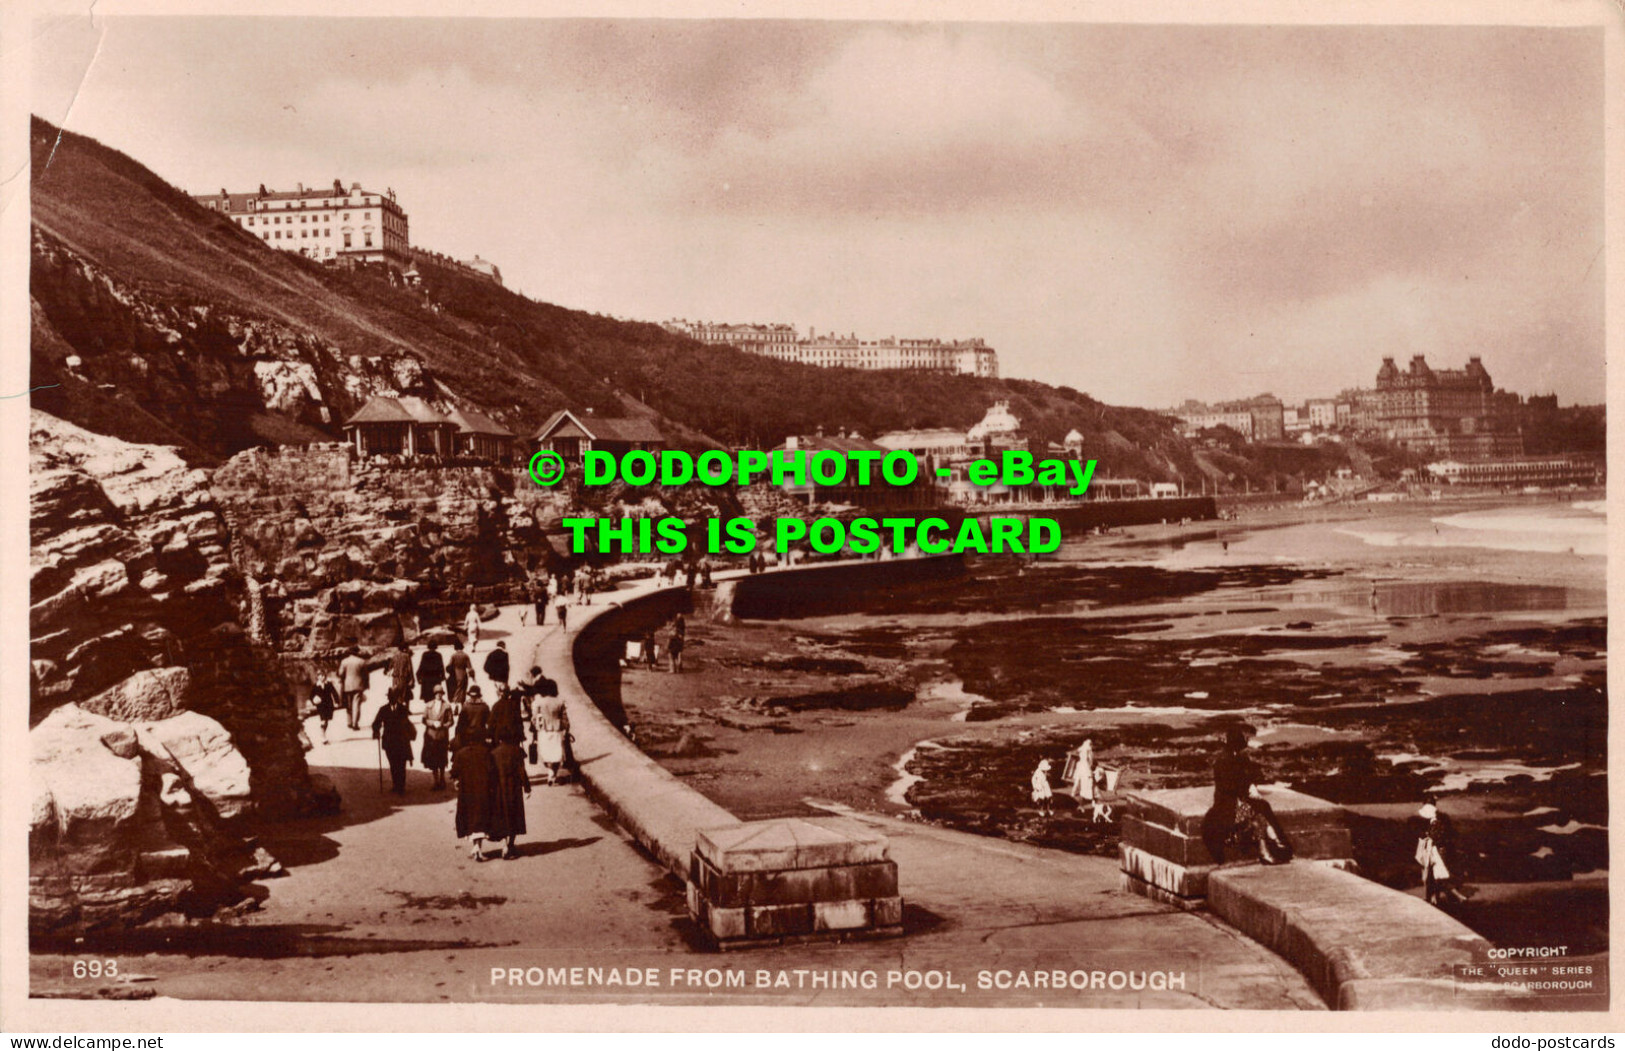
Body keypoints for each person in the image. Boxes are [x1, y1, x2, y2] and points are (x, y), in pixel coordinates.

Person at [1201, 728, 1293, 865]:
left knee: (1260, 812)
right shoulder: (1224, 761)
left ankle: (1270, 848)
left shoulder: (1235, 758)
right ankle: (1273, 845)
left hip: (1236, 802)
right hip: (1227, 807)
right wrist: (1247, 789)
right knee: (1258, 815)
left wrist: (1250, 786)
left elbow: (1249, 777)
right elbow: (1229, 787)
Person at [451, 733, 496, 861]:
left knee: (470, 817)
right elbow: (492, 771)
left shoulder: (461, 753)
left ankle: (476, 846)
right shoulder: (486, 753)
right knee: (480, 818)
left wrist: (456, 781)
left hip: (467, 791)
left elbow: (454, 771)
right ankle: (478, 847)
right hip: (483, 790)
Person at [1418, 795, 1466, 906]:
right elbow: (1448, 834)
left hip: (1435, 850)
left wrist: (1428, 838)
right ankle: (1434, 897)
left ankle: (1435, 897)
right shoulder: (1441, 817)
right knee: (1437, 874)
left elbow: (1434, 836)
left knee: (1435, 875)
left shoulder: (1433, 819)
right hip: (1441, 849)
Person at [489, 737, 531, 860]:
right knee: (514, 816)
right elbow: (522, 771)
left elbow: (491, 773)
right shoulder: (517, 751)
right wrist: (527, 788)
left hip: (499, 790)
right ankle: (510, 844)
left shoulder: (494, 753)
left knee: (503, 816)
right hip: (514, 789)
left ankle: (504, 844)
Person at [372, 693, 417, 795]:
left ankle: (401, 787)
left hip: (402, 741)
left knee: (401, 764)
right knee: (393, 764)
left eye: (394, 697)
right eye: (390, 698)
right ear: (388, 698)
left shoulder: (403, 708)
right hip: (389, 742)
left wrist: (410, 734)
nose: (392, 699)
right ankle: (396, 785)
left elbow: (407, 722)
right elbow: (376, 722)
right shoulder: (383, 709)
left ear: (397, 698)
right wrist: (376, 731)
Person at [420, 686, 455, 790]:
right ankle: (435, 781)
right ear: (434, 694)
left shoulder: (447, 706)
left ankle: (442, 778)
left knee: (442, 758)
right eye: (437, 693)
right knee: (432, 759)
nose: (439, 695)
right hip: (431, 736)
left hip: (442, 736)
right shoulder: (429, 706)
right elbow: (424, 719)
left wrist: (443, 725)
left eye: (440, 693)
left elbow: (451, 721)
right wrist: (432, 723)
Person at [533, 690, 571, 784]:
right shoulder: (559, 701)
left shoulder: (537, 702)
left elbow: (534, 718)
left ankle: (550, 772)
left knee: (546, 754)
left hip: (543, 730)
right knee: (557, 754)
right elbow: (564, 717)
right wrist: (566, 728)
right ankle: (552, 774)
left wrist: (536, 727)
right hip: (556, 729)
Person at [338, 646, 369, 731]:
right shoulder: (361, 661)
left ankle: (349, 722)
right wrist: (366, 685)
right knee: (356, 704)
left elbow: (340, 674)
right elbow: (366, 675)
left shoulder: (344, 661)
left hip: (347, 685)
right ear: (357, 652)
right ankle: (355, 723)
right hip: (358, 685)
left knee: (349, 704)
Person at [454, 685, 491, 749]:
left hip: (467, 735)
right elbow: (489, 722)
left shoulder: (466, 706)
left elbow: (460, 723)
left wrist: (457, 735)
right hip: (480, 734)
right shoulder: (484, 707)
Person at [311, 668, 340, 744]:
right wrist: (314, 701)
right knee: (323, 721)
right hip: (320, 706)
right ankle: (323, 737)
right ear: (317, 677)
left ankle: (323, 734)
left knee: (326, 721)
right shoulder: (315, 686)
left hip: (329, 705)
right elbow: (311, 696)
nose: (322, 677)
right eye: (320, 676)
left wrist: (337, 702)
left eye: (323, 675)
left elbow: (334, 693)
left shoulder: (328, 684)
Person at [446, 639, 472, 707]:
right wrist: (473, 676)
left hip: (455, 674)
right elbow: (470, 668)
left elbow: (449, 666)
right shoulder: (465, 656)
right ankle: (462, 704)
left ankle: (455, 703)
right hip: (464, 674)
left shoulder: (453, 656)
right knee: (463, 689)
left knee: (457, 689)